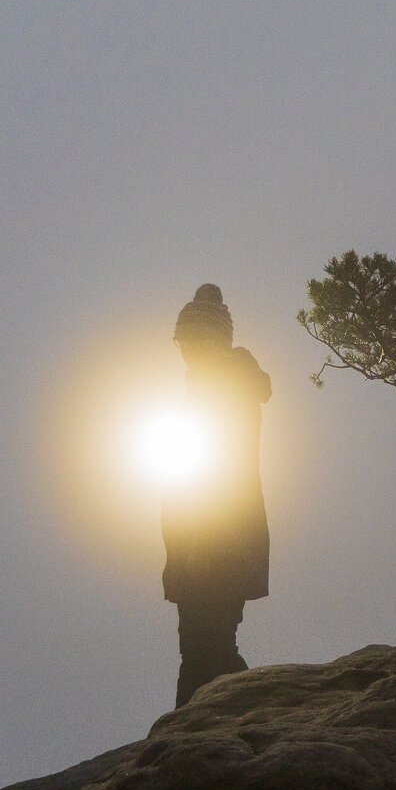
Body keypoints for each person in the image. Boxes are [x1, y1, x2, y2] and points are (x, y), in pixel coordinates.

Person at [161, 284, 272, 707]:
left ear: (209, 340)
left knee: (206, 650)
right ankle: (237, 720)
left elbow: (219, 475)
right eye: (182, 342)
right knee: (208, 649)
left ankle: (198, 737)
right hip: (206, 543)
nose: (184, 350)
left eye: (189, 341)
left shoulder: (223, 385)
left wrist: (196, 548)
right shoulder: (214, 383)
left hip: (215, 543)